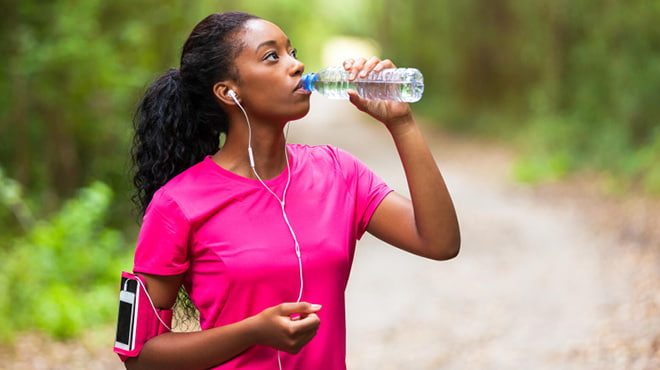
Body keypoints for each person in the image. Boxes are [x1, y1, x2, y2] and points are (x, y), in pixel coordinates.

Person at [123, 10, 460, 370]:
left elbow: (439, 242)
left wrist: (402, 123)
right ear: (227, 91)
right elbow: (139, 357)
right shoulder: (176, 204)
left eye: (293, 52)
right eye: (272, 56)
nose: (297, 66)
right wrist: (251, 332)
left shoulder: (337, 172)